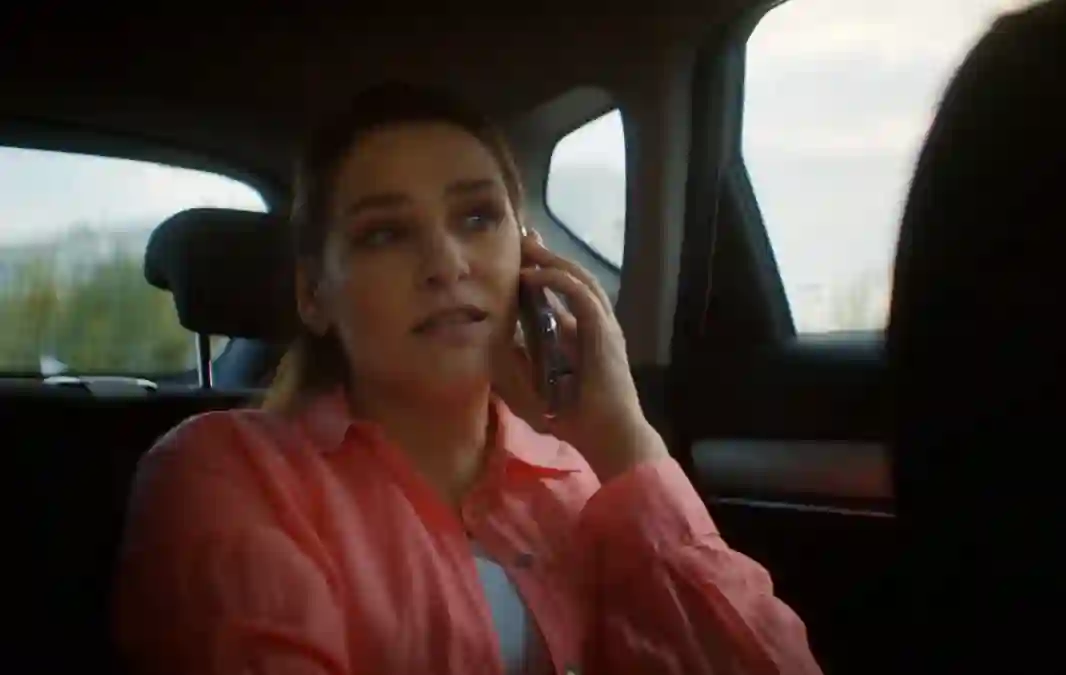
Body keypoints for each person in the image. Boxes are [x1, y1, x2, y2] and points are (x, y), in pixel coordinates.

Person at [115, 82, 824, 675]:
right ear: (314, 294)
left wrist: (625, 443)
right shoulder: (223, 471)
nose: (446, 263)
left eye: (479, 217)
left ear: (529, 256)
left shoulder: (584, 482)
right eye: (385, 233)